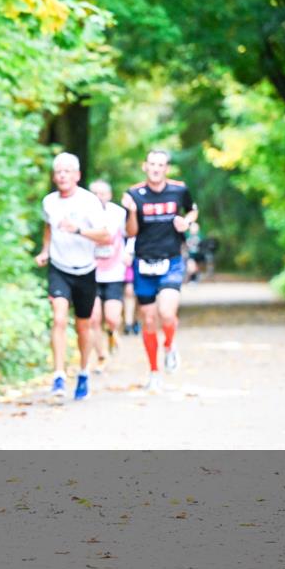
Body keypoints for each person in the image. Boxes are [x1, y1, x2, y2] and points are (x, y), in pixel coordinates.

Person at [35, 153, 111, 400]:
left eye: (67, 171)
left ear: (77, 175)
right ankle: (58, 376)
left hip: (85, 270)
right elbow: (48, 227)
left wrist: (78, 229)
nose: (62, 175)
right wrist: (45, 251)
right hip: (59, 267)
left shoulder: (89, 202)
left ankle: (83, 372)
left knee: (83, 326)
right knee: (58, 318)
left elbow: (105, 235)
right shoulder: (49, 202)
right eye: (58, 171)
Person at [121, 150, 198, 393]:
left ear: (166, 168)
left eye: (161, 165)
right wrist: (132, 211)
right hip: (144, 263)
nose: (156, 168)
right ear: (145, 166)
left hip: (171, 260)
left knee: (166, 312)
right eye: (152, 164)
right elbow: (131, 232)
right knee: (149, 319)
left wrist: (186, 222)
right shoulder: (133, 194)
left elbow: (192, 210)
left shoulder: (179, 190)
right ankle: (154, 371)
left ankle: (170, 344)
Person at [87, 180, 127, 371]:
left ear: (109, 195)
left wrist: (130, 252)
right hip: (90, 270)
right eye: (94, 193)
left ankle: (112, 332)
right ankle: (101, 356)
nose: (98, 197)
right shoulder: (83, 213)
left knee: (112, 318)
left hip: (113, 271)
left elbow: (131, 235)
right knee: (93, 318)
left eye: (102, 193)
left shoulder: (118, 213)